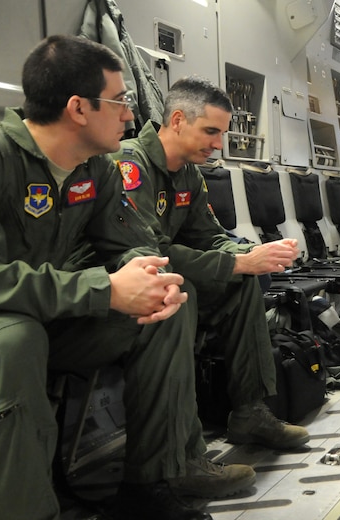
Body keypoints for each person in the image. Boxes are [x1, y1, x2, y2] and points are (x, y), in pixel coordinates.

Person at [0, 35, 248, 520]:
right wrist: (102, 290)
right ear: (78, 108)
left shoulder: (96, 170)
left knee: (166, 308)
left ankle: (147, 484)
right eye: (120, 101)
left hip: (51, 319)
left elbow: (128, 244)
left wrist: (147, 277)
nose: (131, 114)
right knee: (11, 340)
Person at [113, 76, 310, 452]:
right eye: (211, 131)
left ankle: (251, 412)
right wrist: (237, 264)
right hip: (133, 291)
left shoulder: (188, 174)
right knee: (192, 286)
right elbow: (149, 250)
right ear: (176, 121)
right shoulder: (129, 167)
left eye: (222, 134)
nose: (218, 144)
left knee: (244, 283)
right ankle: (178, 451)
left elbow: (208, 235)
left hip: (171, 279)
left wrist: (251, 254)